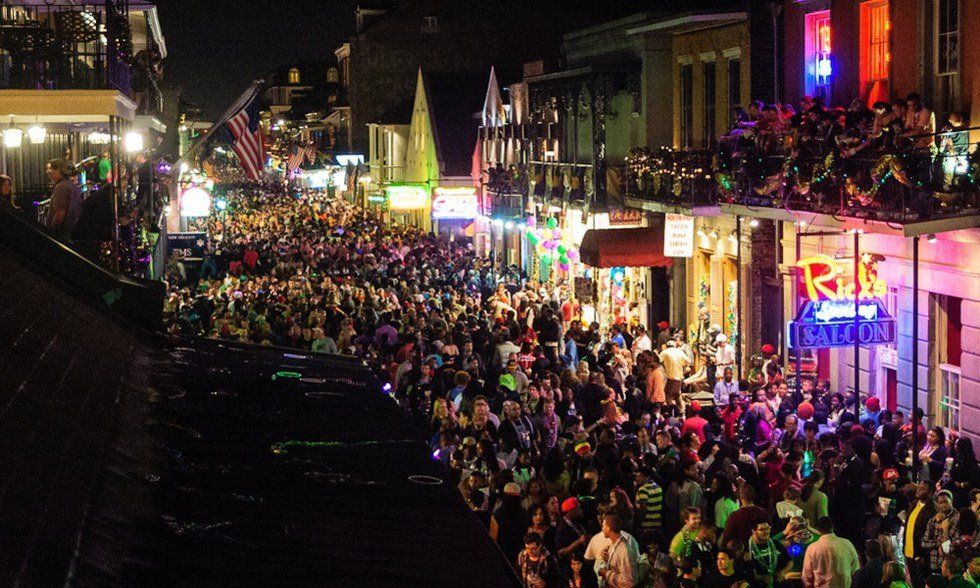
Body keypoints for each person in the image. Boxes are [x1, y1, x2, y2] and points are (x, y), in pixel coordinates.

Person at [801, 516, 860, 588]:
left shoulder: (812, 548)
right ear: (833, 526)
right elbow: (856, 571)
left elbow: (807, 577)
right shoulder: (847, 544)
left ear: (818, 529)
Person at [586, 514, 638, 588]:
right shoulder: (613, 545)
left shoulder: (623, 551)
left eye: (603, 526)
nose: (602, 528)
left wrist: (606, 573)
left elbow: (629, 582)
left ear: (608, 528)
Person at [45, 158, 82, 241]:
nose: (48, 172)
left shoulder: (61, 187)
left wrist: (52, 232)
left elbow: (60, 213)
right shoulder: (71, 185)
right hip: (72, 229)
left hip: (62, 233)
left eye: (50, 169)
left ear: (58, 169)